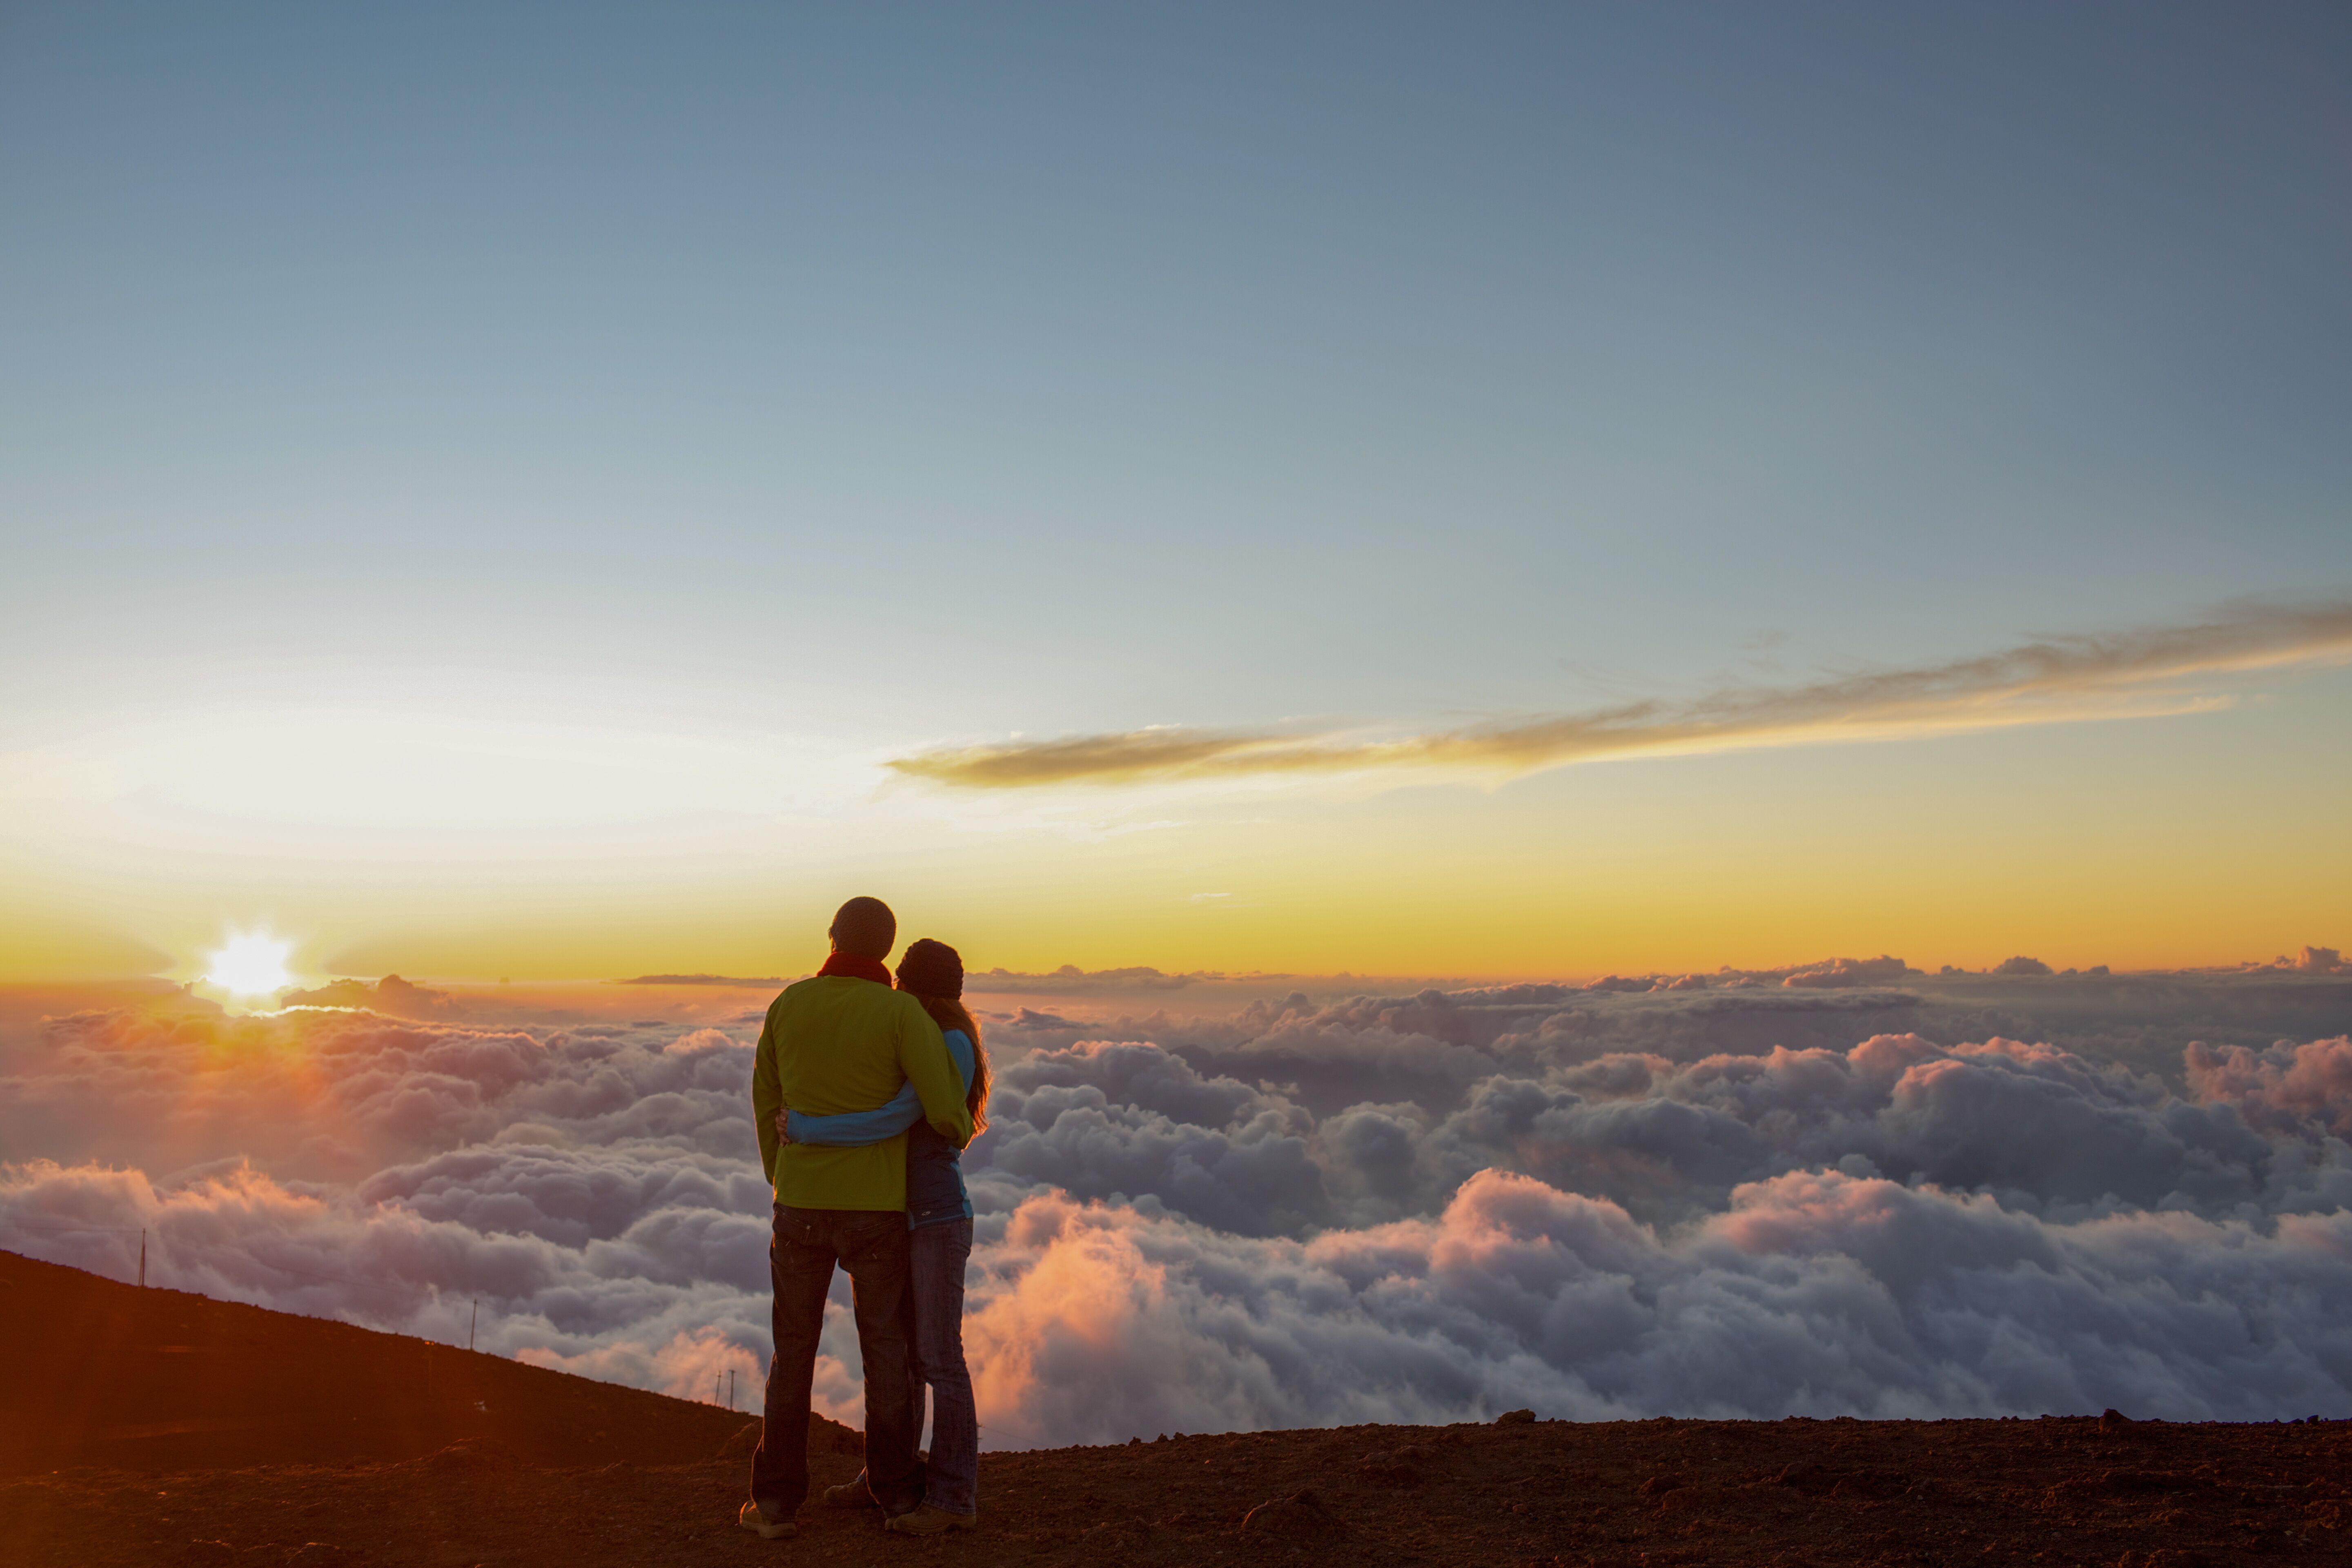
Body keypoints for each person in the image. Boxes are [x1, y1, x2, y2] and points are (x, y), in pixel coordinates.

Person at [739, 898, 974, 1541]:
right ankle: (898, 1495)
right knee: (888, 1354)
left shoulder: (788, 1004)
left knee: (792, 1356)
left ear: (833, 938)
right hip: (878, 1209)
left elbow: (766, 1094)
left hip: (801, 1204)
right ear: (887, 951)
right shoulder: (901, 1013)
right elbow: (950, 1113)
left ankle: (777, 1506)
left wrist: (781, 1172)